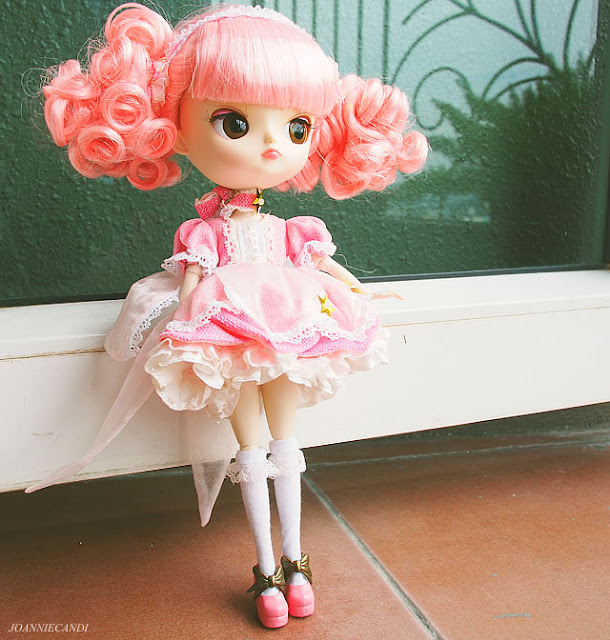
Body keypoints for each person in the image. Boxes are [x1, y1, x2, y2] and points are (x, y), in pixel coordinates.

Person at [29, 3, 428, 628]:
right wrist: (186, 327)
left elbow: (326, 267)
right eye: (235, 122)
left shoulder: (293, 230)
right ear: (174, 127)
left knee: (285, 445)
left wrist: (359, 293)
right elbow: (192, 288)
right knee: (253, 450)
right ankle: (268, 569)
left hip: (291, 327)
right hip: (232, 331)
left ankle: (296, 564)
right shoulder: (205, 233)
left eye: (297, 127)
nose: (271, 144)